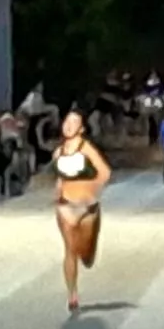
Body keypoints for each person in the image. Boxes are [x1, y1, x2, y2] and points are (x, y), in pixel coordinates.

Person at [51, 111, 113, 314]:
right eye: (66, 121)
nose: (68, 125)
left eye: (74, 122)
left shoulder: (87, 149)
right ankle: (72, 295)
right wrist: (57, 192)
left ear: (82, 128)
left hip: (87, 208)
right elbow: (60, 178)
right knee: (69, 250)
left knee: (86, 256)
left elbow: (105, 173)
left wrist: (92, 190)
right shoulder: (58, 152)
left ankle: (86, 255)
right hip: (66, 205)